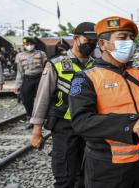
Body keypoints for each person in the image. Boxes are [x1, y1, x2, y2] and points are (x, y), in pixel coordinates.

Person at [69, 16, 139, 188]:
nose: (129, 42)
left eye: (132, 38)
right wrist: (130, 123)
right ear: (102, 44)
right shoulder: (86, 78)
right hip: (108, 169)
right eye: (122, 38)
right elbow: (81, 122)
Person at [29, 22, 98, 188]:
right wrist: (37, 131)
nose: (91, 44)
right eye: (87, 40)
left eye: (94, 41)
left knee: (87, 176)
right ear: (75, 39)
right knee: (65, 176)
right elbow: (42, 98)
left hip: (90, 127)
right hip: (64, 127)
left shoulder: (97, 65)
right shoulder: (56, 64)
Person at [14, 37, 47, 128]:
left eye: (30, 44)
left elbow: (46, 67)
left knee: (41, 99)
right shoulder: (19, 56)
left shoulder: (41, 54)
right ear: (23, 45)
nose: (28, 46)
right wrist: (17, 85)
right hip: (27, 79)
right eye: (26, 44)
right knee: (26, 100)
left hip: (39, 78)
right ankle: (30, 118)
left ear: (34, 44)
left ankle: (42, 118)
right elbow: (20, 72)